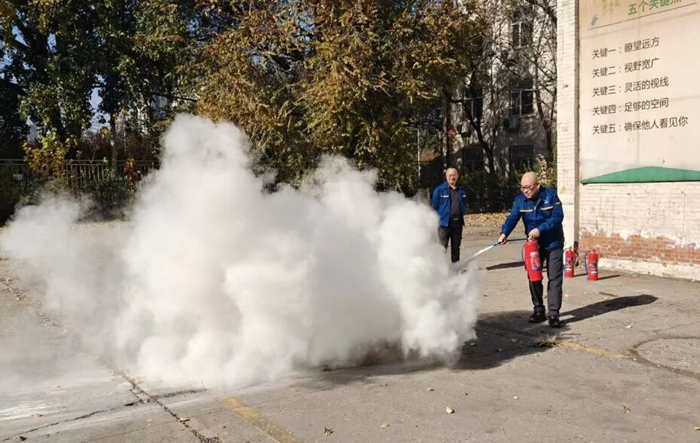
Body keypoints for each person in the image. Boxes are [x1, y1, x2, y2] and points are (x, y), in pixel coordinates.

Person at [498, 172, 565, 328]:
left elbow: (557, 217)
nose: (525, 191)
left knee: (554, 278)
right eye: (523, 187)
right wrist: (504, 233)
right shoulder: (520, 201)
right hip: (534, 246)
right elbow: (512, 218)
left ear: (537, 186)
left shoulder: (550, 196)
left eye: (528, 187)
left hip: (554, 243)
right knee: (534, 277)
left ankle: (554, 314)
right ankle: (538, 310)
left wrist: (539, 229)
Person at [431, 168, 467, 263]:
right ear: (446, 176)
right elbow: (435, 206)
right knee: (442, 247)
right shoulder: (439, 190)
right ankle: (441, 268)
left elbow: (463, 204)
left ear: (457, 176)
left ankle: (455, 267)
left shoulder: (461, 190)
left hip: (457, 223)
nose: (452, 177)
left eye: (454, 175)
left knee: (456, 247)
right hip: (444, 224)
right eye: (450, 175)